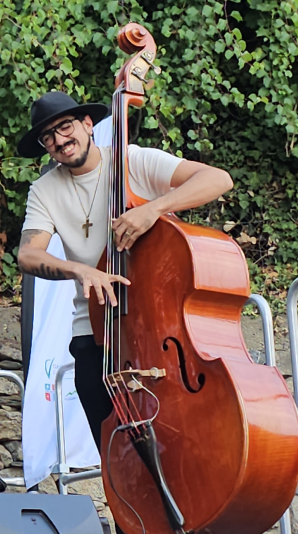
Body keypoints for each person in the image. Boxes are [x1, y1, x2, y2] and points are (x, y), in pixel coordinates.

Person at [15, 91, 234, 449]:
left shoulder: (132, 161)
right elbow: (28, 254)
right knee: (116, 453)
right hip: (96, 332)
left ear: (88, 124)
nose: (59, 140)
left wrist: (154, 209)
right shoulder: (44, 189)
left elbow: (217, 179)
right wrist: (80, 271)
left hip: (157, 328)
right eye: (48, 137)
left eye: (65, 127)